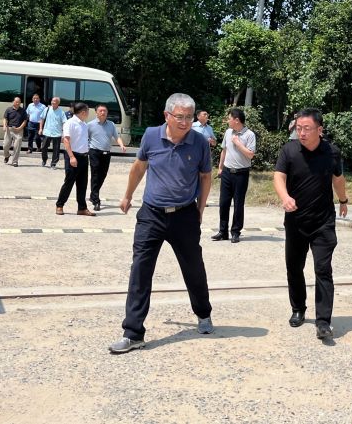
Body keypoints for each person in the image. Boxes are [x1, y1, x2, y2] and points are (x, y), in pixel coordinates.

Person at [108, 93, 214, 354]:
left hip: (184, 215)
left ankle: (203, 313)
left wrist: (200, 210)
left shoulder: (199, 142)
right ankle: (133, 333)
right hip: (151, 215)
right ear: (167, 115)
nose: (185, 122)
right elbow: (139, 167)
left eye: (189, 117)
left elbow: (206, 177)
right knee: (140, 271)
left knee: (193, 268)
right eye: (180, 117)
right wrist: (127, 195)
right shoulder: (151, 136)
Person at [273, 108, 348, 340]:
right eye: (299, 128)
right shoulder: (289, 150)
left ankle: (323, 321)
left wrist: (343, 200)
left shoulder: (332, 152)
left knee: (323, 270)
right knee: (294, 267)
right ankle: (298, 308)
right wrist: (285, 197)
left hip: (323, 222)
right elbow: (278, 176)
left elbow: (338, 178)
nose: (302, 133)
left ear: (319, 129)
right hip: (296, 220)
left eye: (307, 128)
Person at [211, 108, 256, 243]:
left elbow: (250, 154)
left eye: (229, 118)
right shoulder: (228, 132)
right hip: (227, 172)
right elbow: (224, 150)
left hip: (241, 173)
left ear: (236, 120)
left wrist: (237, 143)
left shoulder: (249, 135)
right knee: (223, 202)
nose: (227, 121)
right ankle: (222, 231)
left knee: (238, 203)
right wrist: (220, 167)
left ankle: (235, 232)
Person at [55, 102, 94, 216]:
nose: (88, 113)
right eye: (87, 111)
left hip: (83, 156)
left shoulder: (84, 124)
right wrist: (71, 157)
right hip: (73, 156)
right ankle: (60, 205)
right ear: (83, 112)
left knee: (82, 184)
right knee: (69, 182)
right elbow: (66, 140)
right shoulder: (70, 123)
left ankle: (82, 208)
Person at [87, 104, 127, 211]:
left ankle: (93, 194)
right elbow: (85, 138)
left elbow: (117, 137)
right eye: (100, 111)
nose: (103, 113)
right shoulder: (90, 125)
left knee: (102, 175)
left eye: (104, 111)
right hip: (94, 152)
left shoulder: (111, 124)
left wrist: (122, 145)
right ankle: (96, 201)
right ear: (96, 112)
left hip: (106, 153)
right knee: (95, 174)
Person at [39, 96, 66, 169]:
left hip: (57, 133)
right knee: (44, 147)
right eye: (52, 101)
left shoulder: (61, 112)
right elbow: (42, 119)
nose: (53, 102)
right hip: (47, 132)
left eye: (55, 101)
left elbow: (64, 122)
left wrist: (63, 133)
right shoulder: (47, 109)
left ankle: (53, 164)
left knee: (56, 150)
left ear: (58, 103)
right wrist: (40, 128)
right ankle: (44, 160)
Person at [2, 96, 28, 167]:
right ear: (13, 102)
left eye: (19, 102)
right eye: (16, 102)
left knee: (17, 146)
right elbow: (5, 118)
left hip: (18, 130)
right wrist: (4, 126)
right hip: (9, 129)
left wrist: (20, 128)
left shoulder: (23, 111)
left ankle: (15, 161)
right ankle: (7, 155)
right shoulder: (8, 109)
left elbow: (25, 120)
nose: (17, 103)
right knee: (5, 145)